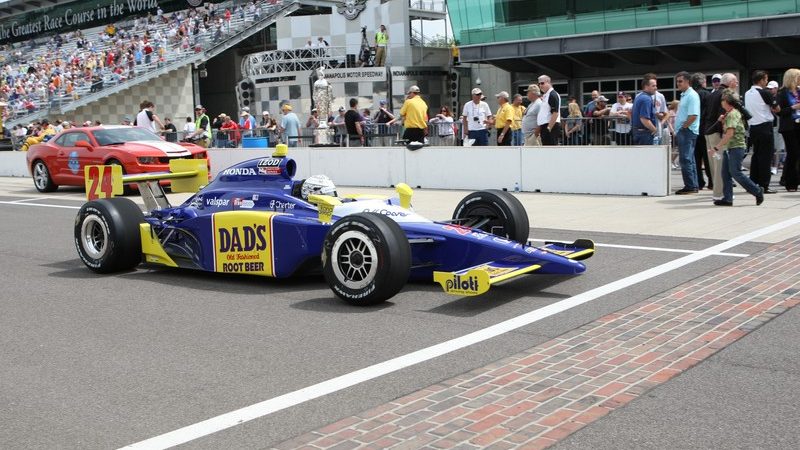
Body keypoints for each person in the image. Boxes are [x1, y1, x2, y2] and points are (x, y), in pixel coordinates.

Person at [711, 89, 764, 206]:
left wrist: (716, 147)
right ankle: (728, 198)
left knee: (736, 172)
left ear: (727, 101)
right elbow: (728, 131)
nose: (721, 102)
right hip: (730, 148)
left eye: (722, 100)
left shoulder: (733, 114)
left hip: (735, 147)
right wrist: (722, 121)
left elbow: (729, 134)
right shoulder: (730, 114)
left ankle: (757, 191)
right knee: (725, 173)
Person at [745, 70, 779, 194]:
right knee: (766, 157)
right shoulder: (764, 92)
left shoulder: (748, 92)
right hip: (765, 126)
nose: (766, 82)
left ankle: (753, 182)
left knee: (756, 155)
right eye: (765, 79)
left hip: (753, 126)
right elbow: (776, 108)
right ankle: (764, 184)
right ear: (761, 80)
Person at [674, 71, 701, 194]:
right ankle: (693, 185)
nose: (678, 84)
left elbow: (693, 115)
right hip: (686, 131)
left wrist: (683, 128)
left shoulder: (691, 95)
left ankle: (690, 185)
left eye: (680, 81)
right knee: (689, 159)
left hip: (687, 131)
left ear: (687, 82)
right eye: (677, 81)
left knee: (685, 159)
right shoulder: (685, 95)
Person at [775, 68, 800, 192]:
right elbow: (779, 112)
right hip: (789, 127)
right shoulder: (783, 93)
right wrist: (793, 107)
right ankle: (790, 182)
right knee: (793, 153)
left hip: (799, 125)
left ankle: (796, 179)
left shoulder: (799, 91)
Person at [631, 76, 659, 145]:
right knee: (647, 155)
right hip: (644, 134)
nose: (656, 88)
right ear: (646, 86)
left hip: (638, 132)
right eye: (653, 86)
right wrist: (655, 130)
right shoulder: (646, 99)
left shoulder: (639, 97)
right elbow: (644, 119)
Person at [537, 75, 561, 145]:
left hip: (550, 126)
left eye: (542, 83)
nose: (540, 86)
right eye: (539, 84)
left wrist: (549, 128)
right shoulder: (546, 95)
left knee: (551, 151)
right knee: (546, 151)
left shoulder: (552, 94)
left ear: (548, 82)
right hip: (545, 126)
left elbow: (555, 113)